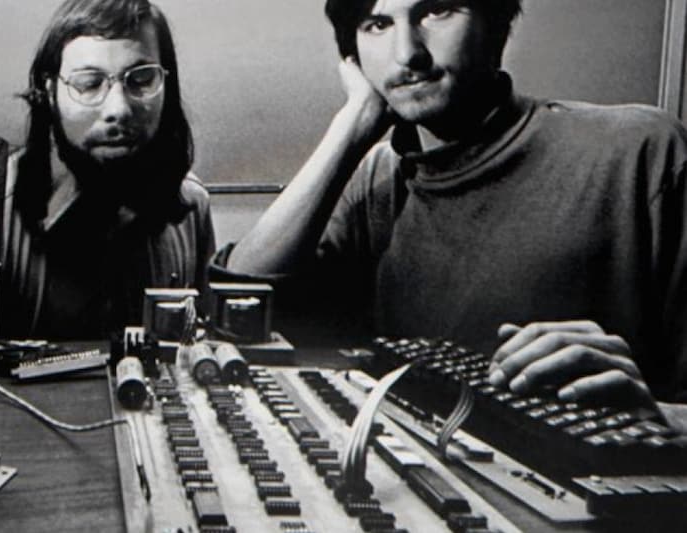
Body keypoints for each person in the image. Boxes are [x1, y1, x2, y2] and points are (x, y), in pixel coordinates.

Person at [215, 0, 687, 428]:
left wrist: (656, 417)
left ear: (495, 23)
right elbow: (240, 304)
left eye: (436, 11)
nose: (407, 53)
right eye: (377, 24)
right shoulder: (378, 179)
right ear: (353, 56)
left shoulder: (642, 153)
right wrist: (353, 124)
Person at [0, 0, 215, 341]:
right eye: (88, 84)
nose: (119, 109)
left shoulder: (192, 206)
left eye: (141, 80)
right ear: (50, 92)